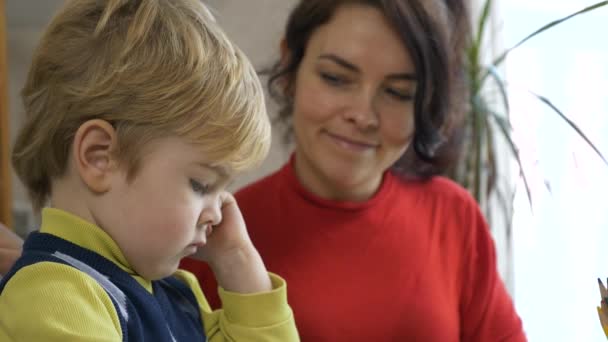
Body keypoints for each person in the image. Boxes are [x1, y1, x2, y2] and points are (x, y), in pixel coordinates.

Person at [180, 0, 527, 340]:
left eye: (397, 92)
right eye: (336, 78)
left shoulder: (453, 216)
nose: (363, 116)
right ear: (291, 66)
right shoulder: (215, 235)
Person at [0, 0, 298, 341]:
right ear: (99, 157)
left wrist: (237, 259)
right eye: (201, 184)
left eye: (222, 189)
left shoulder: (174, 292)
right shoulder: (53, 297)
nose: (218, 213)